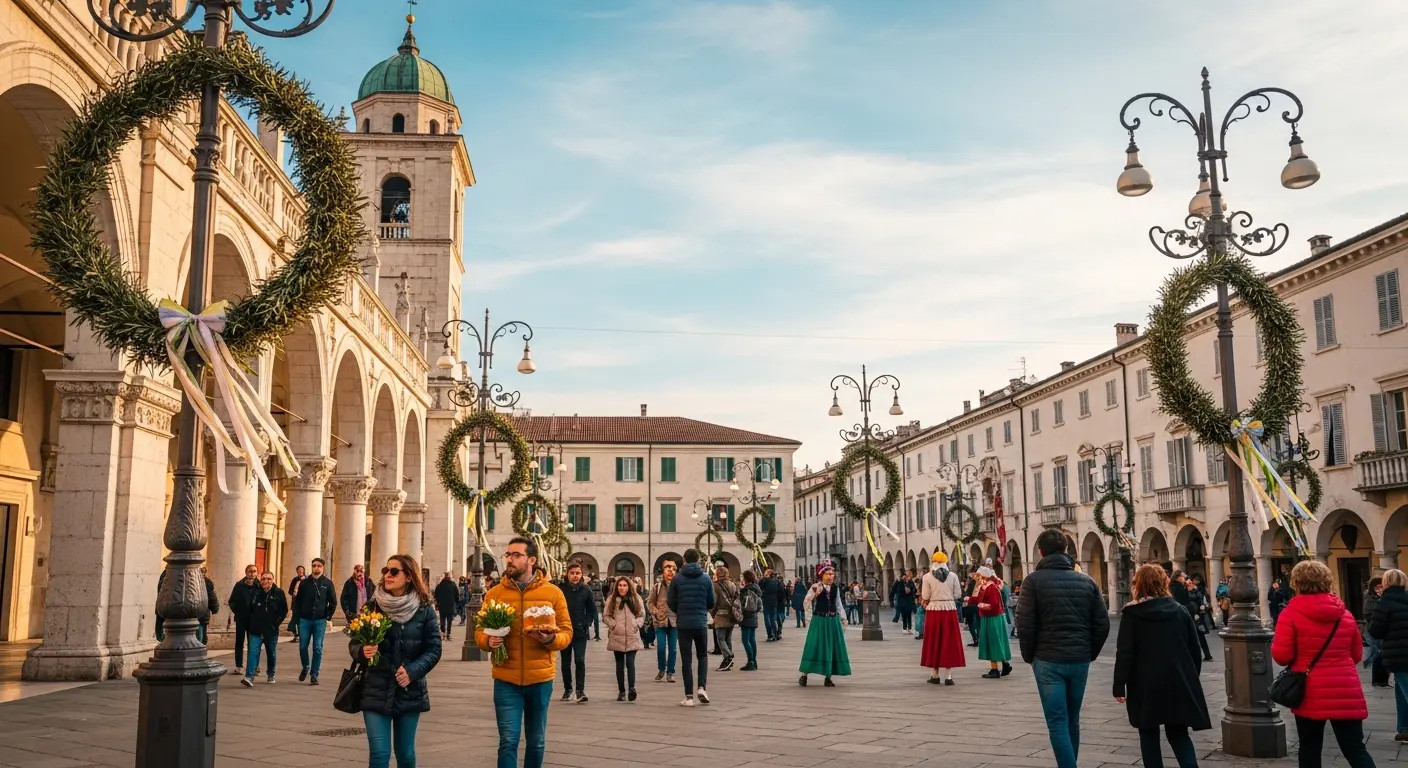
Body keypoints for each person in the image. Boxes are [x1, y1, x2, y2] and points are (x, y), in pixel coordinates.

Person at [1016, 529, 1111, 768]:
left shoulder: (1033, 581)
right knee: (1072, 719)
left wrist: (1030, 656)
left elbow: (1024, 624)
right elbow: (1102, 623)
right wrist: (1090, 653)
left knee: (1057, 721)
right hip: (1079, 659)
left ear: (1040, 552)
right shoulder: (1087, 581)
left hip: (1047, 659)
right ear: (1066, 550)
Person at [477, 537, 572, 768]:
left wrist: (550, 638)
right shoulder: (494, 593)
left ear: (531, 560)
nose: (510, 559)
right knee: (508, 741)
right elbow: (479, 631)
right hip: (506, 678)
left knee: (537, 741)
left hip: (540, 679)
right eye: (508, 555)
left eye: (516, 555)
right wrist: (489, 640)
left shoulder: (553, 593)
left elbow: (567, 633)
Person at [1271, 560, 1374, 768]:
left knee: (1310, 748)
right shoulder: (1344, 614)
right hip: (1346, 690)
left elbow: (1282, 655)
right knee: (1355, 748)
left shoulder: (1289, 614)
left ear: (1296, 583)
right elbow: (1355, 654)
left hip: (1309, 691)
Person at [1112, 564, 1210, 768]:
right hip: (1176, 679)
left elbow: (1125, 653)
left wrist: (1119, 685)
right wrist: (1191, 676)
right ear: (1164, 583)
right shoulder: (1180, 611)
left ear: (1139, 585)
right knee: (1178, 733)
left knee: (1148, 733)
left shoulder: (1132, 614)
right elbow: (1194, 650)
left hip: (1144, 683)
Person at [351, 555, 442, 768]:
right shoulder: (372, 607)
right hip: (375, 687)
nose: (387, 576)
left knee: (406, 755)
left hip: (409, 689)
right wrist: (363, 651)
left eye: (394, 571)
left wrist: (412, 671)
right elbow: (354, 644)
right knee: (379, 755)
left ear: (409, 576)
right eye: (385, 570)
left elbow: (434, 649)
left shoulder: (424, 609)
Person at [666, 548, 716, 706]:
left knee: (686, 659)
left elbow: (670, 601)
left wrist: (679, 610)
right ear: (698, 559)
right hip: (700, 622)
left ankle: (689, 697)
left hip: (684, 623)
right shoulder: (706, 578)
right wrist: (702, 609)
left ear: (684, 560)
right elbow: (711, 602)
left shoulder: (677, 579)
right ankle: (702, 687)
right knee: (702, 656)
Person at [1370, 568, 1408, 741]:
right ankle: (1404, 728)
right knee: (1400, 691)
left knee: (1405, 689)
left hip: (1397, 654)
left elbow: (1375, 631)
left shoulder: (1384, 603)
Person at [799, 562, 850, 687]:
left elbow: (838, 604)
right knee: (813, 645)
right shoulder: (816, 587)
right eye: (828, 574)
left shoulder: (835, 588)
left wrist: (843, 618)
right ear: (822, 575)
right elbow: (807, 601)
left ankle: (828, 676)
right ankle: (804, 674)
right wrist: (809, 618)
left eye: (832, 574)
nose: (831, 576)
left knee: (831, 646)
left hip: (832, 620)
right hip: (819, 620)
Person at [920, 552, 966, 684]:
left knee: (934, 640)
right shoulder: (953, 576)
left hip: (934, 609)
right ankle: (949, 676)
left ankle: (934, 674)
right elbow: (958, 594)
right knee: (949, 640)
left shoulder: (927, 577)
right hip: (949, 609)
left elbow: (925, 595)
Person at [292, 557, 336, 685]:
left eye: (319, 566)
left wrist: (327, 616)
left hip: (320, 620)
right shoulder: (305, 583)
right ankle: (306, 666)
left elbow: (333, 602)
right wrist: (298, 615)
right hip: (305, 620)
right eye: (314, 565)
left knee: (317, 647)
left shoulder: (327, 583)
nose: (316, 568)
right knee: (303, 646)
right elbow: (298, 601)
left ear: (323, 568)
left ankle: (314, 674)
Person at [239, 569, 287, 687]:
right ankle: (249, 676)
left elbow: (284, 610)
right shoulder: (255, 593)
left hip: (271, 630)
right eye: (263, 579)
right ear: (260, 580)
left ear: (273, 580)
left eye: (269, 579)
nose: (266, 581)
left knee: (271, 653)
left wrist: (276, 623)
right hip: (255, 629)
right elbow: (249, 608)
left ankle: (271, 673)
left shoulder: (279, 593)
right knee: (253, 652)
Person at [557, 560, 595, 703]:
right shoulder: (560, 589)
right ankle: (568, 689)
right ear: (567, 574)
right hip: (564, 630)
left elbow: (592, 610)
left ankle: (580, 690)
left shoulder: (586, 590)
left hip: (580, 631)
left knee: (580, 660)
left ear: (581, 575)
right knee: (565, 662)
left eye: (578, 573)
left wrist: (586, 622)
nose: (575, 576)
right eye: (572, 573)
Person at [604, 576, 645, 702]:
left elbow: (642, 614)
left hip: (632, 635)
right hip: (617, 635)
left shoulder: (636, 598)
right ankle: (622, 691)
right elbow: (606, 615)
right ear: (617, 587)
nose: (622, 588)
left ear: (629, 586)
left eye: (624, 585)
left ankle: (632, 688)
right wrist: (614, 625)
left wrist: (636, 624)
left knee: (630, 663)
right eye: (620, 585)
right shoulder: (612, 599)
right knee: (620, 665)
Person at [968, 566, 1012, 679]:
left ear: (984, 577)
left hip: (993, 618)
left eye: (979, 576)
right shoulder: (985, 587)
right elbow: (979, 599)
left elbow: (993, 605)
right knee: (995, 642)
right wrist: (969, 599)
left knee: (993, 642)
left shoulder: (991, 588)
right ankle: (1005, 664)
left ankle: (994, 670)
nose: (977, 578)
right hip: (990, 617)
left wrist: (979, 605)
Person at [647, 559, 679, 683]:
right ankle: (661, 669)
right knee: (660, 647)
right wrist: (656, 612)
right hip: (660, 622)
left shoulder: (678, 587)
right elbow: (650, 602)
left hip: (674, 622)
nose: (671, 570)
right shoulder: (657, 587)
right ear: (663, 570)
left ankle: (670, 672)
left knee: (673, 648)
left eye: (674, 568)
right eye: (668, 567)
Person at [228, 564, 260, 676]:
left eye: (254, 571)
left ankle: (254, 666)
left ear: (257, 573)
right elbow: (232, 601)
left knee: (254, 643)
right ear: (246, 573)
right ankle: (239, 666)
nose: (252, 573)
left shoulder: (259, 585)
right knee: (239, 642)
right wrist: (239, 611)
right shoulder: (239, 585)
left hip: (254, 619)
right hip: (241, 618)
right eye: (250, 571)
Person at [712, 562, 740, 671]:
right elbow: (737, 597)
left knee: (720, 638)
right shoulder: (732, 584)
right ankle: (728, 661)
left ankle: (728, 656)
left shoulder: (715, 585)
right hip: (731, 614)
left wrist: (711, 613)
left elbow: (714, 602)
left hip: (720, 614)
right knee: (728, 638)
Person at [1363, 577, 1387, 688]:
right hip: (1373, 630)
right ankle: (1377, 680)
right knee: (1378, 653)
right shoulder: (1370, 598)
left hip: (1383, 629)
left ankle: (1383, 680)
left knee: (1381, 653)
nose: (1379, 589)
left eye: (1381, 586)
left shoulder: (1384, 598)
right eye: (1377, 587)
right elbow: (1367, 615)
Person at [739, 569, 763, 670]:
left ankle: (750, 662)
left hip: (746, 616)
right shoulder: (757, 588)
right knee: (752, 639)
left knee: (745, 640)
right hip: (754, 616)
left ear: (745, 579)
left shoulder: (746, 590)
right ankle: (754, 661)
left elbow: (741, 604)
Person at [433, 572, 459, 640]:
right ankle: (449, 634)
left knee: (442, 620)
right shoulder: (453, 585)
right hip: (450, 605)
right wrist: (455, 602)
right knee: (449, 620)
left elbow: (436, 595)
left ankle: (443, 632)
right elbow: (457, 595)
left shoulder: (439, 585)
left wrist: (438, 603)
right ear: (450, 577)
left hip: (442, 605)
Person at [759, 568, 784, 642]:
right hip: (774, 601)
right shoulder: (777, 582)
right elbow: (780, 592)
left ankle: (770, 635)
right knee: (773, 619)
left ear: (768, 574)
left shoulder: (764, 580)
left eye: (765, 572)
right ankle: (776, 634)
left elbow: (759, 587)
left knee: (767, 618)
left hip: (766, 601)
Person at [286, 565, 305, 643]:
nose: (300, 572)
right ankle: (296, 635)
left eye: (301, 570)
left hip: (304, 604)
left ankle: (303, 636)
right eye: (298, 570)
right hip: (295, 603)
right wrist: (293, 593)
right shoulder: (295, 580)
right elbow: (290, 590)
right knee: (295, 620)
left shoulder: (307, 580)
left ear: (303, 571)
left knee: (303, 620)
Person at [895, 570, 917, 635]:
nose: (907, 577)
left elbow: (914, 590)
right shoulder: (901, 582)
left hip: (909, 600)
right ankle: (904, 628)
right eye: (907, 575)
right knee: (904, 615)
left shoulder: (911, 582)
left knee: (909, 615)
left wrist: (910, 590)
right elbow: (898, 591)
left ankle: (909, 628)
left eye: (909, 575)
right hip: (903, 600)